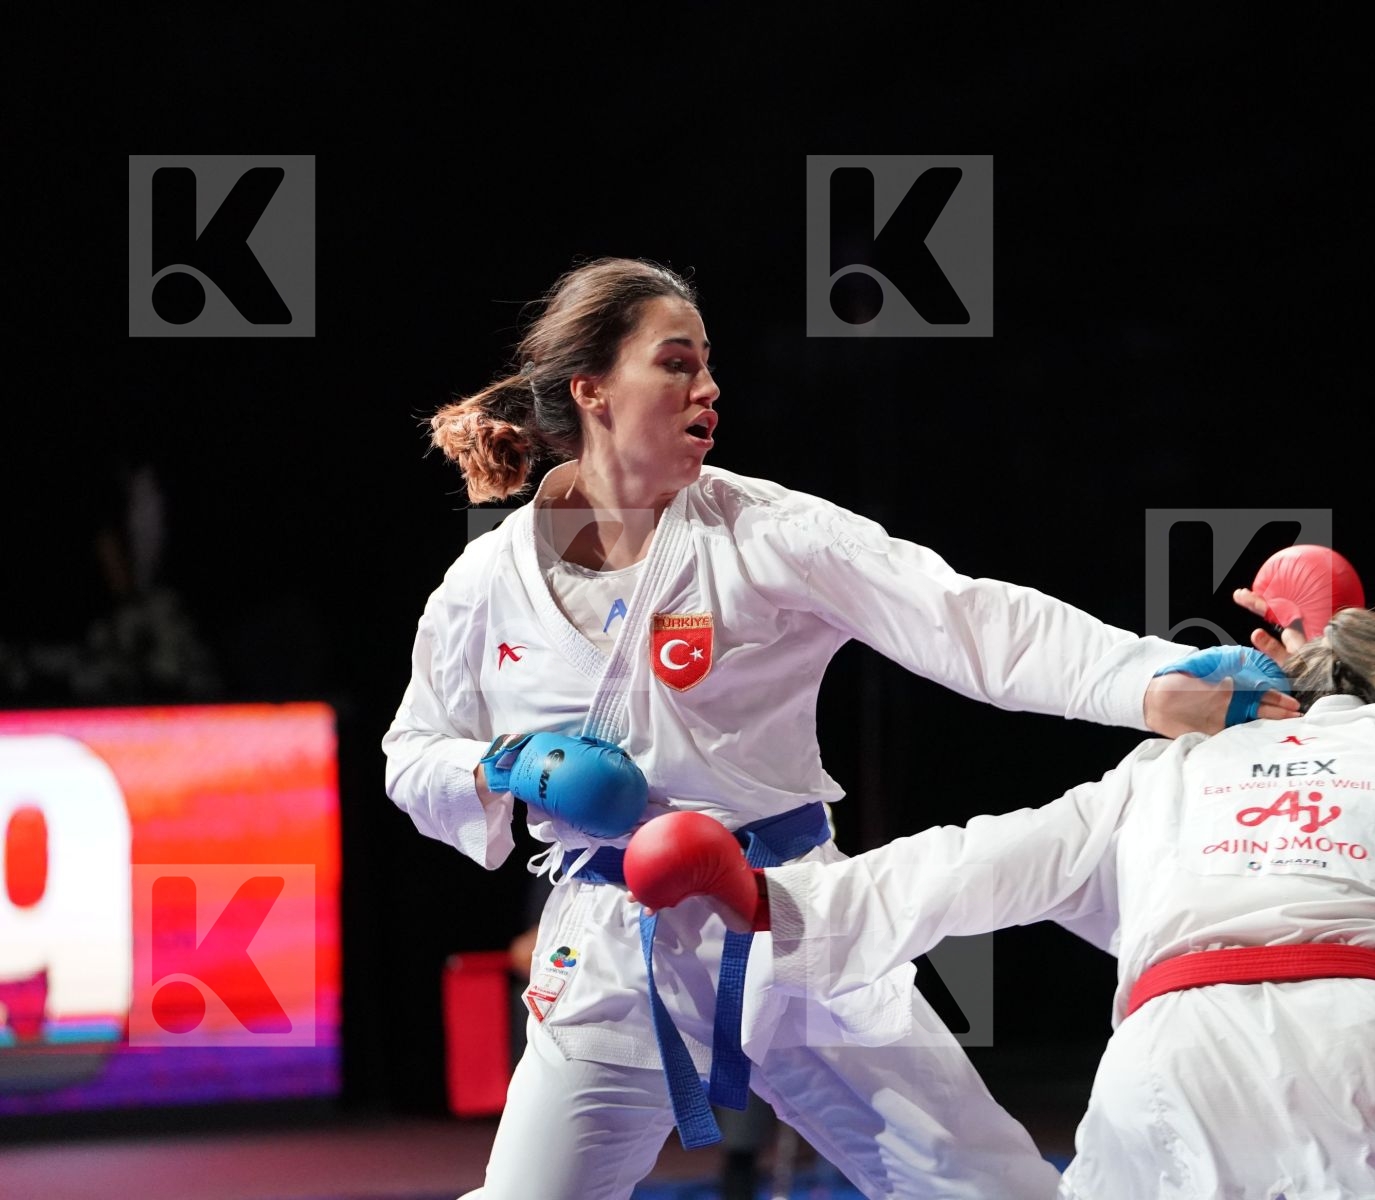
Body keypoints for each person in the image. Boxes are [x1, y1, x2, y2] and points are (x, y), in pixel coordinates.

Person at [381, 256, 1299, 1200]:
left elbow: (967, 619)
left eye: (709, 365)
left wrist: (1149, 682)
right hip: (611, 949)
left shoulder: (764, 531)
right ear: (593, 391)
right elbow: (410, 757)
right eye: (675, 363)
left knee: (989, 1188)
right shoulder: (486, 584)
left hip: (794, 922)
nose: (708, 388)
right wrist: (508, 763)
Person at [630, 542, 1375, 1199]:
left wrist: (768, 896)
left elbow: (979, 861)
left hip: (1168, 1058)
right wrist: (1366, 657)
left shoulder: (1166, 765)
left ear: (1260, 653)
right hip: (1361, 1047)